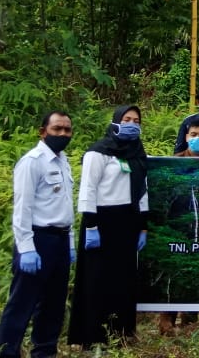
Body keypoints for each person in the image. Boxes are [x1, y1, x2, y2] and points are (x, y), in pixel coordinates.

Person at [0, 111, 75, 358]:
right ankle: (7, 352)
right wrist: (26, 248)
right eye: (57, 129)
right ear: (43, 132)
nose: (63, 134)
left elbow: (64, 205)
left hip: (60, 240)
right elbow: (22, 208)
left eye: (67, 130)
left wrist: (70, 242)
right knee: (22, 302)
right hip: (37, 240)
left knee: (53, 303)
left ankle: (44, 351)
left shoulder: (62, 160)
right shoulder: (32, 162)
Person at [70, 105, 150, 348]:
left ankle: (121, 334)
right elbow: (88, 189)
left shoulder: (137, 153)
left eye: (136, 120)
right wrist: (91, 225)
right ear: (116, 121)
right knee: (97, 279)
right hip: (101, 221)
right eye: (127, 119)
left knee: (123, 279)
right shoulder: (98, 152)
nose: (132, 124)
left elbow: (142, 190)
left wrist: (143, 226)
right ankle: (93, 337)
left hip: (128, 221)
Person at [157, 116, 199, 335]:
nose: (197, 139)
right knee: (171, 274)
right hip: (174, 230)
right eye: (193, 135)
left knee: (194, 275)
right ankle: (166, 322)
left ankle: (190, 324)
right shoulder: (171, 163)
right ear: (186, 137)